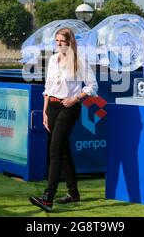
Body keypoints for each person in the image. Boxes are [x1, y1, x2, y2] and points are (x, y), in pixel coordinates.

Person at [29, 27, 98, 212]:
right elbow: (48, 86)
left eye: (62, 41)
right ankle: (73, 193)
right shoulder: (52, 59)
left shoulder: (79, 60)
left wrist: (75, 98)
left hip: (69, 108)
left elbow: (92, 85)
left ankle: (48, 197)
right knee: (63, 150)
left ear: (70, 42)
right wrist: (44, 112)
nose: (59, 44)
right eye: (57, 41)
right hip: (51, 107)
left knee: (55, 150)